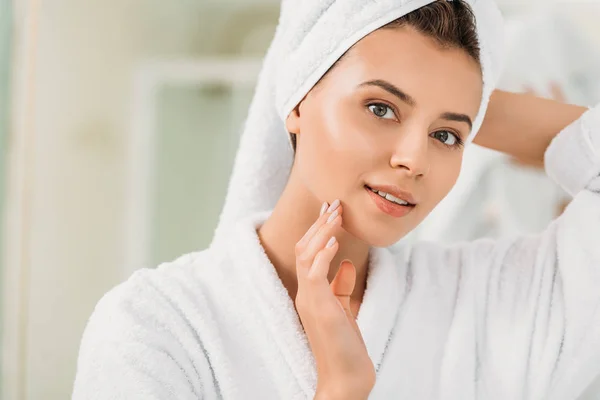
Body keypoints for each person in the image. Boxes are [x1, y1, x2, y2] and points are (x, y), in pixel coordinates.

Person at [73, 1, 600, 399]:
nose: (414, 159)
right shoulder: (157, 325)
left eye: (446, 136)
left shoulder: (487, 307)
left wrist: (470, 100)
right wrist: (341, 388)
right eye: (380, 107)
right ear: (298, 100)